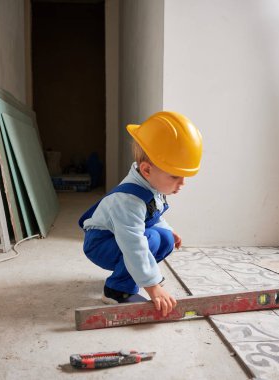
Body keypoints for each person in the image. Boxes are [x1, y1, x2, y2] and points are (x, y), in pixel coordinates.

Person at [78, 111, 202, 316]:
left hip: (117, 238)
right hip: (100, 243)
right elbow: (134, 244)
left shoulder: (151, 185)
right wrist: (153, 287)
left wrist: (168, 229)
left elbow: (154, 214)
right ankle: (117, 290)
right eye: (175, 177)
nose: (182, 184)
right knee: (150, 239)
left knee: (164, 238)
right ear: (146, 170)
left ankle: (129, 274)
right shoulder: (128, 201)